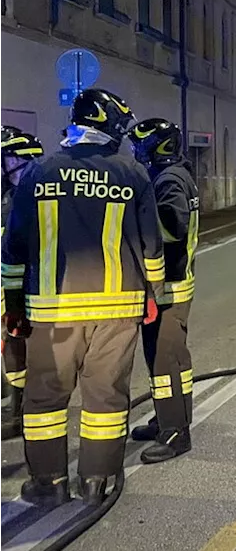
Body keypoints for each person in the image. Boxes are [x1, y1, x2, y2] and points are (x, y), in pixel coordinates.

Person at [1, 88, 163, 506]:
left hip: (53, 312)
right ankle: (97, 480)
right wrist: (154, 295)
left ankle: (49, 482)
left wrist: (14, 306)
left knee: (45, 400)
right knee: (106, 397)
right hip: (118, 309)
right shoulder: (133, 173)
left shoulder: (37, 173)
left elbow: (14, 248)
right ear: (107, 125)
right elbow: (152, 246)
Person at [126, 118, 199, 463]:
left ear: (158, 146)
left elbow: (173, 228)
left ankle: (175, 433)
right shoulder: (174, 175)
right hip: (169, 286)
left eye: (141, 144)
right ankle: (166, 419)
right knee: (164, 359)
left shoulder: (168, 180)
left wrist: (137, 219)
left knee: (166, 361)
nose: (136, 151)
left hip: (168, 288)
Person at [0, 127, 44, 439]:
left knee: (25, 352)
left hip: (30, 291)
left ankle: (25, 412)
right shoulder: (9, 196)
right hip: (10, 288)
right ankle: (14, 409)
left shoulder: (33, 197)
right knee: (13, 352)